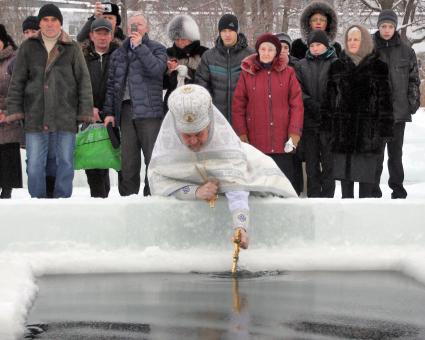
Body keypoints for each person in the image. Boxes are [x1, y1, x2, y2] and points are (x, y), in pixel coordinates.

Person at [148, 84, 298, 249]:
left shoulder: (227, 148)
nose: (193, 141)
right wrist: (195, 192)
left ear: (210, 125)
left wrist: (240, 226)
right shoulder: (168, 149)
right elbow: (160, 182)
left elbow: (237, 186)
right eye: (187, 135)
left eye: (199, 134)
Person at [7, 4, 93, 198]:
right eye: (45, 19)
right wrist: (15, 110)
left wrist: (84, 111)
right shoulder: (28, 47)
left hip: (65, 115)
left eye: (54, 20)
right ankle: (38, 202)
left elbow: (83, 82)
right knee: (35, 164)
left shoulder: (72, 48)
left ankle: (62, 201)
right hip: (35, 116)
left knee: (65, 163)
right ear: (40, 23)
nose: (49, 23)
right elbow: (17, 81)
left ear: (60, 23)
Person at [321, 25, 394, 198]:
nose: (352, 42)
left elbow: (386, 102)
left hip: (368, 137)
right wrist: (327, 129)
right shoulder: (337, 66)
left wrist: (384, 131)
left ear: (365, 41)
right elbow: (328, 101)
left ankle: (365, 224)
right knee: (346, 192)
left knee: (366, 191)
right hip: (343, 136)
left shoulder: (379, 67)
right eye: (349, 39)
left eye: (356, 39)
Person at [103, 14, 167, 196]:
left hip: (150, 112)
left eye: (139, 25)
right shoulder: (118, 53)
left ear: (146, 28)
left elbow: (157, 70)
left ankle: (152, 195)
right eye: (132, 25)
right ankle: (128, 199)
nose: (135, 28)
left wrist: (140, 47)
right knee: (128, 161)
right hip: (125, 110)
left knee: (152, 158)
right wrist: (109, 112)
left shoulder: (157, 48)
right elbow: (112, 85)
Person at [232, 33, 304, 194]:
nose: (266, 53)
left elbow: (297, 105)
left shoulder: (289, 73)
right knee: (260, 190)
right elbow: (238, 107)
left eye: (270, 50)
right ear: (258, 51)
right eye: (262, 49)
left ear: (276, 53)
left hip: (282, 145)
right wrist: (242, 134)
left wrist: (294, 135)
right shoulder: (247, 74)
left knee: (284, 189)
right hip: (257, 145)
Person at [373, 10, 421, 199]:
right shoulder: (370, 48)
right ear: (378, 27)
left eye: (390, 26)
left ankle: (397, 189)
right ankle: (373, 190)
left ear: (395, 27)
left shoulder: (406, 50)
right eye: (383, 26)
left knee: (395, 155)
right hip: (376, 113)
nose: (386, 30)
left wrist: (412, 102)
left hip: (398, 113)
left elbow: (414, 79)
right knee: (375, 155)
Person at [296, 30, 337, 198]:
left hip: (329, 122)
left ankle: (328, 199)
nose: (315, 48)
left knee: (329, 164)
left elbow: (339, 87)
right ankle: (313, 197)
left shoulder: (336, 63)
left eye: (318, 45)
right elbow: (298, 90)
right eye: (312, 45)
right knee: (312, 165)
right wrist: (310, 104)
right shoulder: (301, 65)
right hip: (309, 122)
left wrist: (328, 106)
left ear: (326, 45)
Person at [82, 18, 120, 198]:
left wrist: (108, 111)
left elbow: (119, 86)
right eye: (99, 33)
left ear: (111, 36)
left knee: (108, 158)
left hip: (112, 116)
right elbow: (76, 85)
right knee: (91, 160)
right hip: (89, 114)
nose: (102, 37)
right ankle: (98, 199)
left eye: (106, 33)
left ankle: (107, 199)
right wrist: (88, 108)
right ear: (91, 35)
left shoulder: (119, 55)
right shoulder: (82, 56)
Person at [195, 14, 254, 122]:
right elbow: (201, 83)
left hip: (244, 118)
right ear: (219, 33)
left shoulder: (250, 56)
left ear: (236, 31)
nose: (227, 34)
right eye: (224, 31)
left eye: (231, 30)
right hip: (217, 117)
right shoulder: (209, 56)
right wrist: (209, 106)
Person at [163, 14, 208, 114]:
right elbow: (163, 84)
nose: (180, 42)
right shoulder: (168, 53)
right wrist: (169, 72)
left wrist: (187, 72)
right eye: (177, 39)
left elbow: (205, 80)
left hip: (197, 103)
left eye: (183, 39)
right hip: (172, 104)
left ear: (191, 38)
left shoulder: (204, 53)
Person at [0, 25, 23, 199]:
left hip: (9, 116)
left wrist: (6, 111)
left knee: (7, 156)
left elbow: (18, 89)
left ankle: (7, 193)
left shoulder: (14, 59)